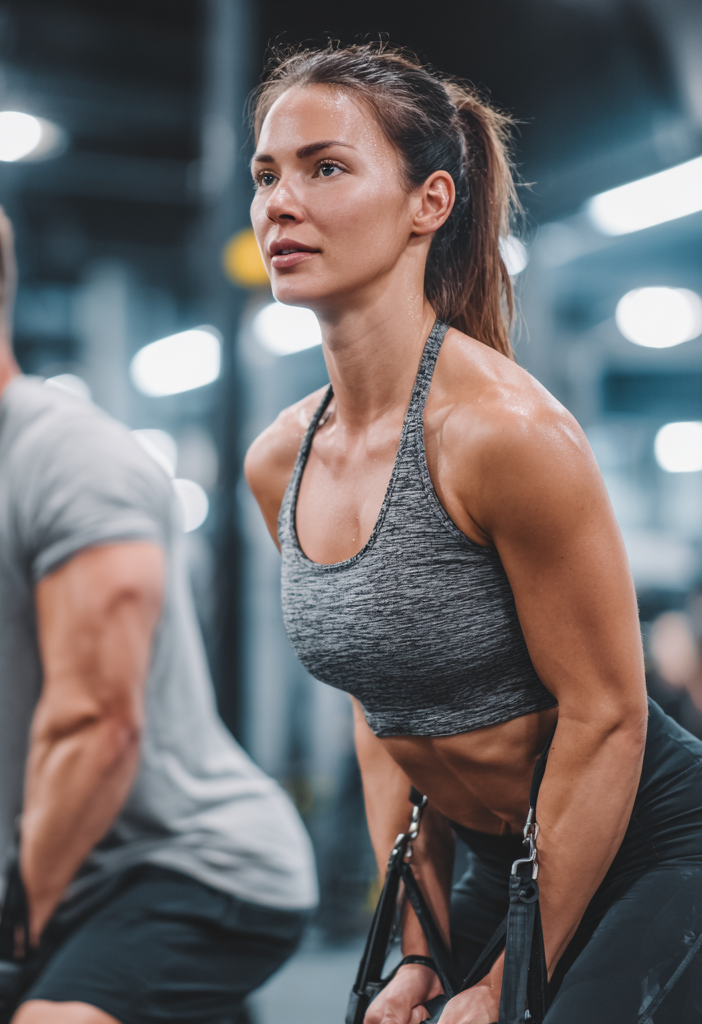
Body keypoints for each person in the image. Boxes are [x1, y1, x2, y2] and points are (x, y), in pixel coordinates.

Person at [244, 43, 702, 1024]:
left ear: (430, 202)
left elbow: (607, 718)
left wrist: (502, 982)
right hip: (502, 851)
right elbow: (382, 714)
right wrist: (418, 949)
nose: (281, 201)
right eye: (267, 174)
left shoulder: (501, 435)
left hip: (654, 838)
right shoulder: (277, 462)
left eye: (326, 167)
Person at [0, 171, 317, 1024]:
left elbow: (99, 725)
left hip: (190, 869)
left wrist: (7, 944)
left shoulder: (73, 463)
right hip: (44, 877)